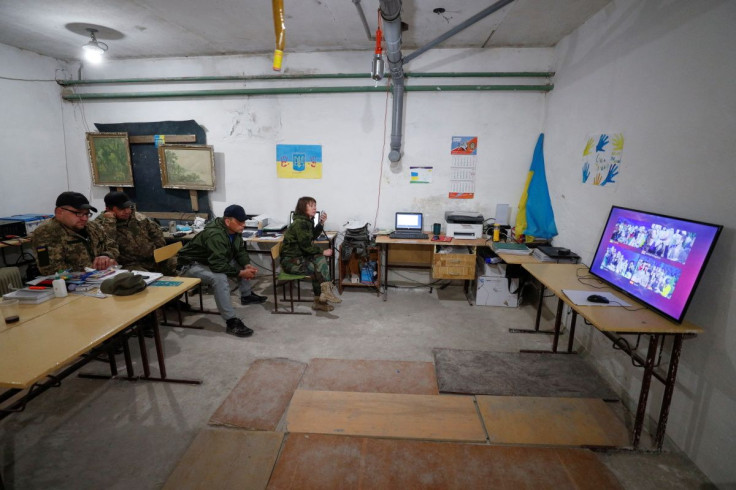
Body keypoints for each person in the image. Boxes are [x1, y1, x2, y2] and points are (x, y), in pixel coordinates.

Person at [177, 204, 266, 337]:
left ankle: (246, 296)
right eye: (239, 222)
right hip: (189, 266)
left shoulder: (234, 231)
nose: (243, 225)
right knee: (219, 278)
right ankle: (231, 321)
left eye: (244, 222)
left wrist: (246, 265)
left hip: (207, 262)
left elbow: (239, 251)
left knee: (237, 262)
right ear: (227, 221)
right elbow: (218, 265)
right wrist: (241, 273)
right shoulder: (215, 234)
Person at [32, 191, 119, 275]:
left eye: (87, 214)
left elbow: (112, 245)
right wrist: (93, 268)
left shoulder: (92, 227)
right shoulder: (45, 233)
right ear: (59, 212)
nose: (84, 219)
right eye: (78, 213)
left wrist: (106, 256)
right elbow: (49, 270)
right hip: (70, 285)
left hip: (100, 278)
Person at [280, 196, 341, 312]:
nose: (315, 208)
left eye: (315, 205)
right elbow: (306, 246)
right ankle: (323, 298)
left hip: (299, 258)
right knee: (317, 266)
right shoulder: (300, 223)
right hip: (290, 262)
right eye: (311, 206)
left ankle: (323, 296)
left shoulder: (306, 221)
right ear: (303, 208)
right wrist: (323, 251)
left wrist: (321, 223)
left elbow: (312, 236)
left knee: (319, 261)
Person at [95, 191, 173, 274]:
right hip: (129, 264)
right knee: (145, 276)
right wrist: (110, 222)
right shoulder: (100, 225)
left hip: (153, 259)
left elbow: (157, 235)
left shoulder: (138, 217)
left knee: (179, 263)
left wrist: (159, 253)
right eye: (121, 209)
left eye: (128, 207)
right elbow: (108, 245)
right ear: (108, 210)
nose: (127, 211)